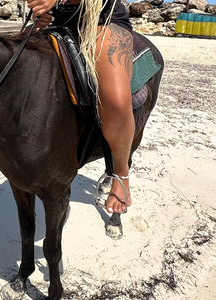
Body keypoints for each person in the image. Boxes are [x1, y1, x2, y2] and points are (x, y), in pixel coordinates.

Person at [24, 0, 134, 214]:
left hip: (100, 18)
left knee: (117, 103)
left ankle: (121, 174)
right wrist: (39, 10)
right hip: (55, 19)